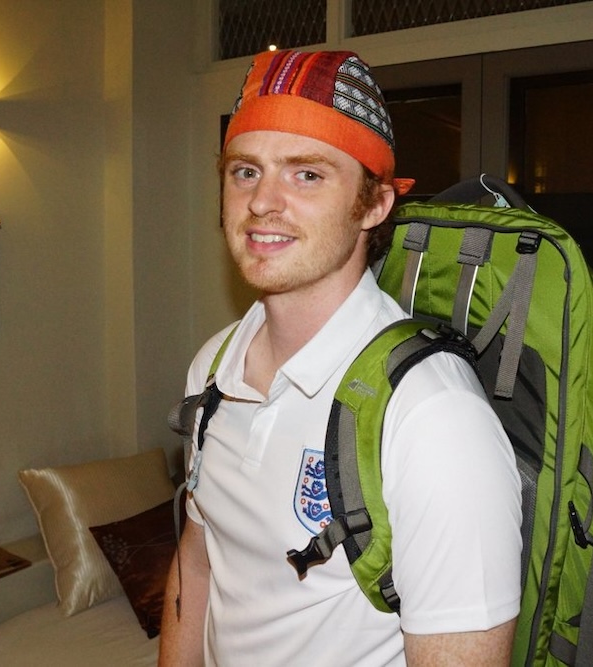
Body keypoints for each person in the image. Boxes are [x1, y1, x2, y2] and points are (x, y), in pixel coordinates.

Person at [159, 49, 523, 666]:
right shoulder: (213, 367)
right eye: (245, 171)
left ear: (375, 205)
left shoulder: (433, 416)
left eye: (306, 174)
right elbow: (198, 562)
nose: (262, 202)